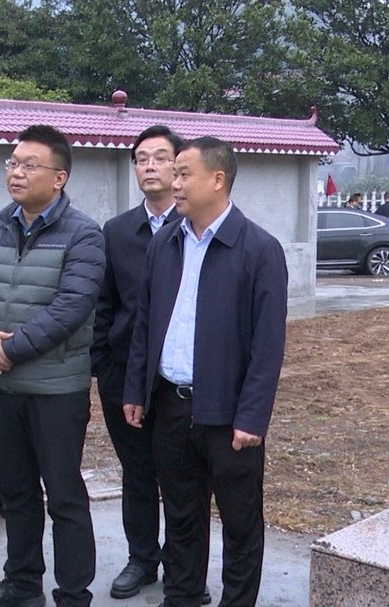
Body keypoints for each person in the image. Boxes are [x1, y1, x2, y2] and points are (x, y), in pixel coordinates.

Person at [123, 136, 288, 607]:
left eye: (183, 174)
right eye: (173, 174)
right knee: (181, 517)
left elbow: (267, 346)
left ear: (217, 180)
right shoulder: (166, 242)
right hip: (171, 406)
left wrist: (252, 418)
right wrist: (137, 389)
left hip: (228, 415)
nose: (173, 182)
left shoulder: (259, 249)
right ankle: (183, 596)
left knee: (240, 523)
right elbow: (145, 323)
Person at [0, 124, 105, 607]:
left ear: (59, 177)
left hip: (56, 389)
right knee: (16, 492)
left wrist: (11, 348)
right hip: (3, 387)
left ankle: (72, 594)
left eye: (29, 165)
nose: (16, 173)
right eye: (12, 163)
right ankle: (22, 584)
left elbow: (72, 306)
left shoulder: (83, 233)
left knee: (64, 496)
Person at [92, 125, 213, 604]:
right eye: (141, 159)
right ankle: (141, 558)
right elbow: (104, 305)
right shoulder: (117, 232)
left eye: (161, 158)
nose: (150, 167)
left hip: (179, 380)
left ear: (179, 167)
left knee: (186, 481)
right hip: (126, 375)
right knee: (138, 471)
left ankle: (186, 571)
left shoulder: (196, 229)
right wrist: (104, 365)